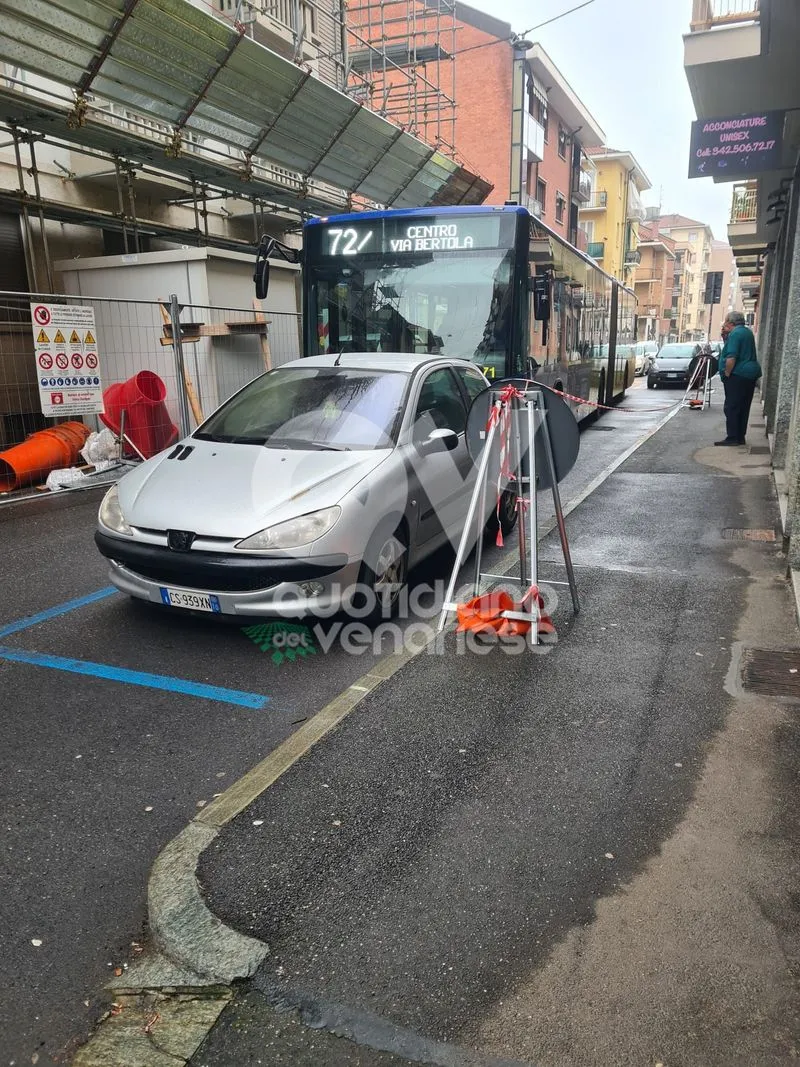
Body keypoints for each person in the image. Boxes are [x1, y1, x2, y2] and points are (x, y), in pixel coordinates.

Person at [715, 311, 762, 446]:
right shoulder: (747, 332)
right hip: (750, 373)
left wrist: (727, 373)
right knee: (743, 406)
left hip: (739, 374)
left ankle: (733, 437)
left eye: (725, 322)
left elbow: (731, 357)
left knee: (732, 406)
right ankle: (740, 436)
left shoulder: (735, 334)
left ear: (730, 323)